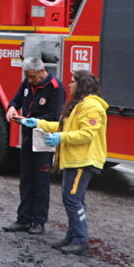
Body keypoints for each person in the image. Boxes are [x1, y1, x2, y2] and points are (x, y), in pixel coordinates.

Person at [22, 69, 108, 256]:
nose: (69, 85)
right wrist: (38, 123)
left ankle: (80, 240)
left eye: (72, 81)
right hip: (74, 160)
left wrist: (60, 138)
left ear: (82, 84)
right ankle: (73, 236)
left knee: (72, 200)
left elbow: (86, 134)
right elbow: (63, 126)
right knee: (74, 200)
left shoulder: (91, 106)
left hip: (82, 161)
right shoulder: (79, 105)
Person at [2, 58, 64, 235]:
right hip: (28, 138)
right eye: (28, 78)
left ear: (42, 71)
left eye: (33, 77)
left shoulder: (55, 87)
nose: (30, 81)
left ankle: (39, 221)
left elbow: (54, 116)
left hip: (43, 139)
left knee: (41, 182)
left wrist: (34, 121)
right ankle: (23, 219)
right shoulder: (28, 82)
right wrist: (12, 109)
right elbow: (16, 100)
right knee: (26, 179)